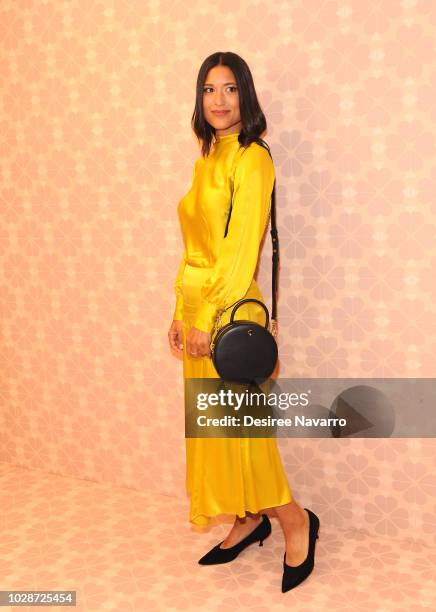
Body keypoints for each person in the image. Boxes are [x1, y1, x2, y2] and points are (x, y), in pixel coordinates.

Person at [168, 52, 320, 592]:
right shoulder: (207, 158)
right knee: (216, 430)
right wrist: (180, 311)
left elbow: (238, 252)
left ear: (245, 96)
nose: (218, 100)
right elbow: (196, 249)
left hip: (226, 312)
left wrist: (206, 316)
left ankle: (295, 518)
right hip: (198, 311)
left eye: (230, 89)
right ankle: (246, 518)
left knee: (244, 432)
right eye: (209, 89)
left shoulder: (252, 159)